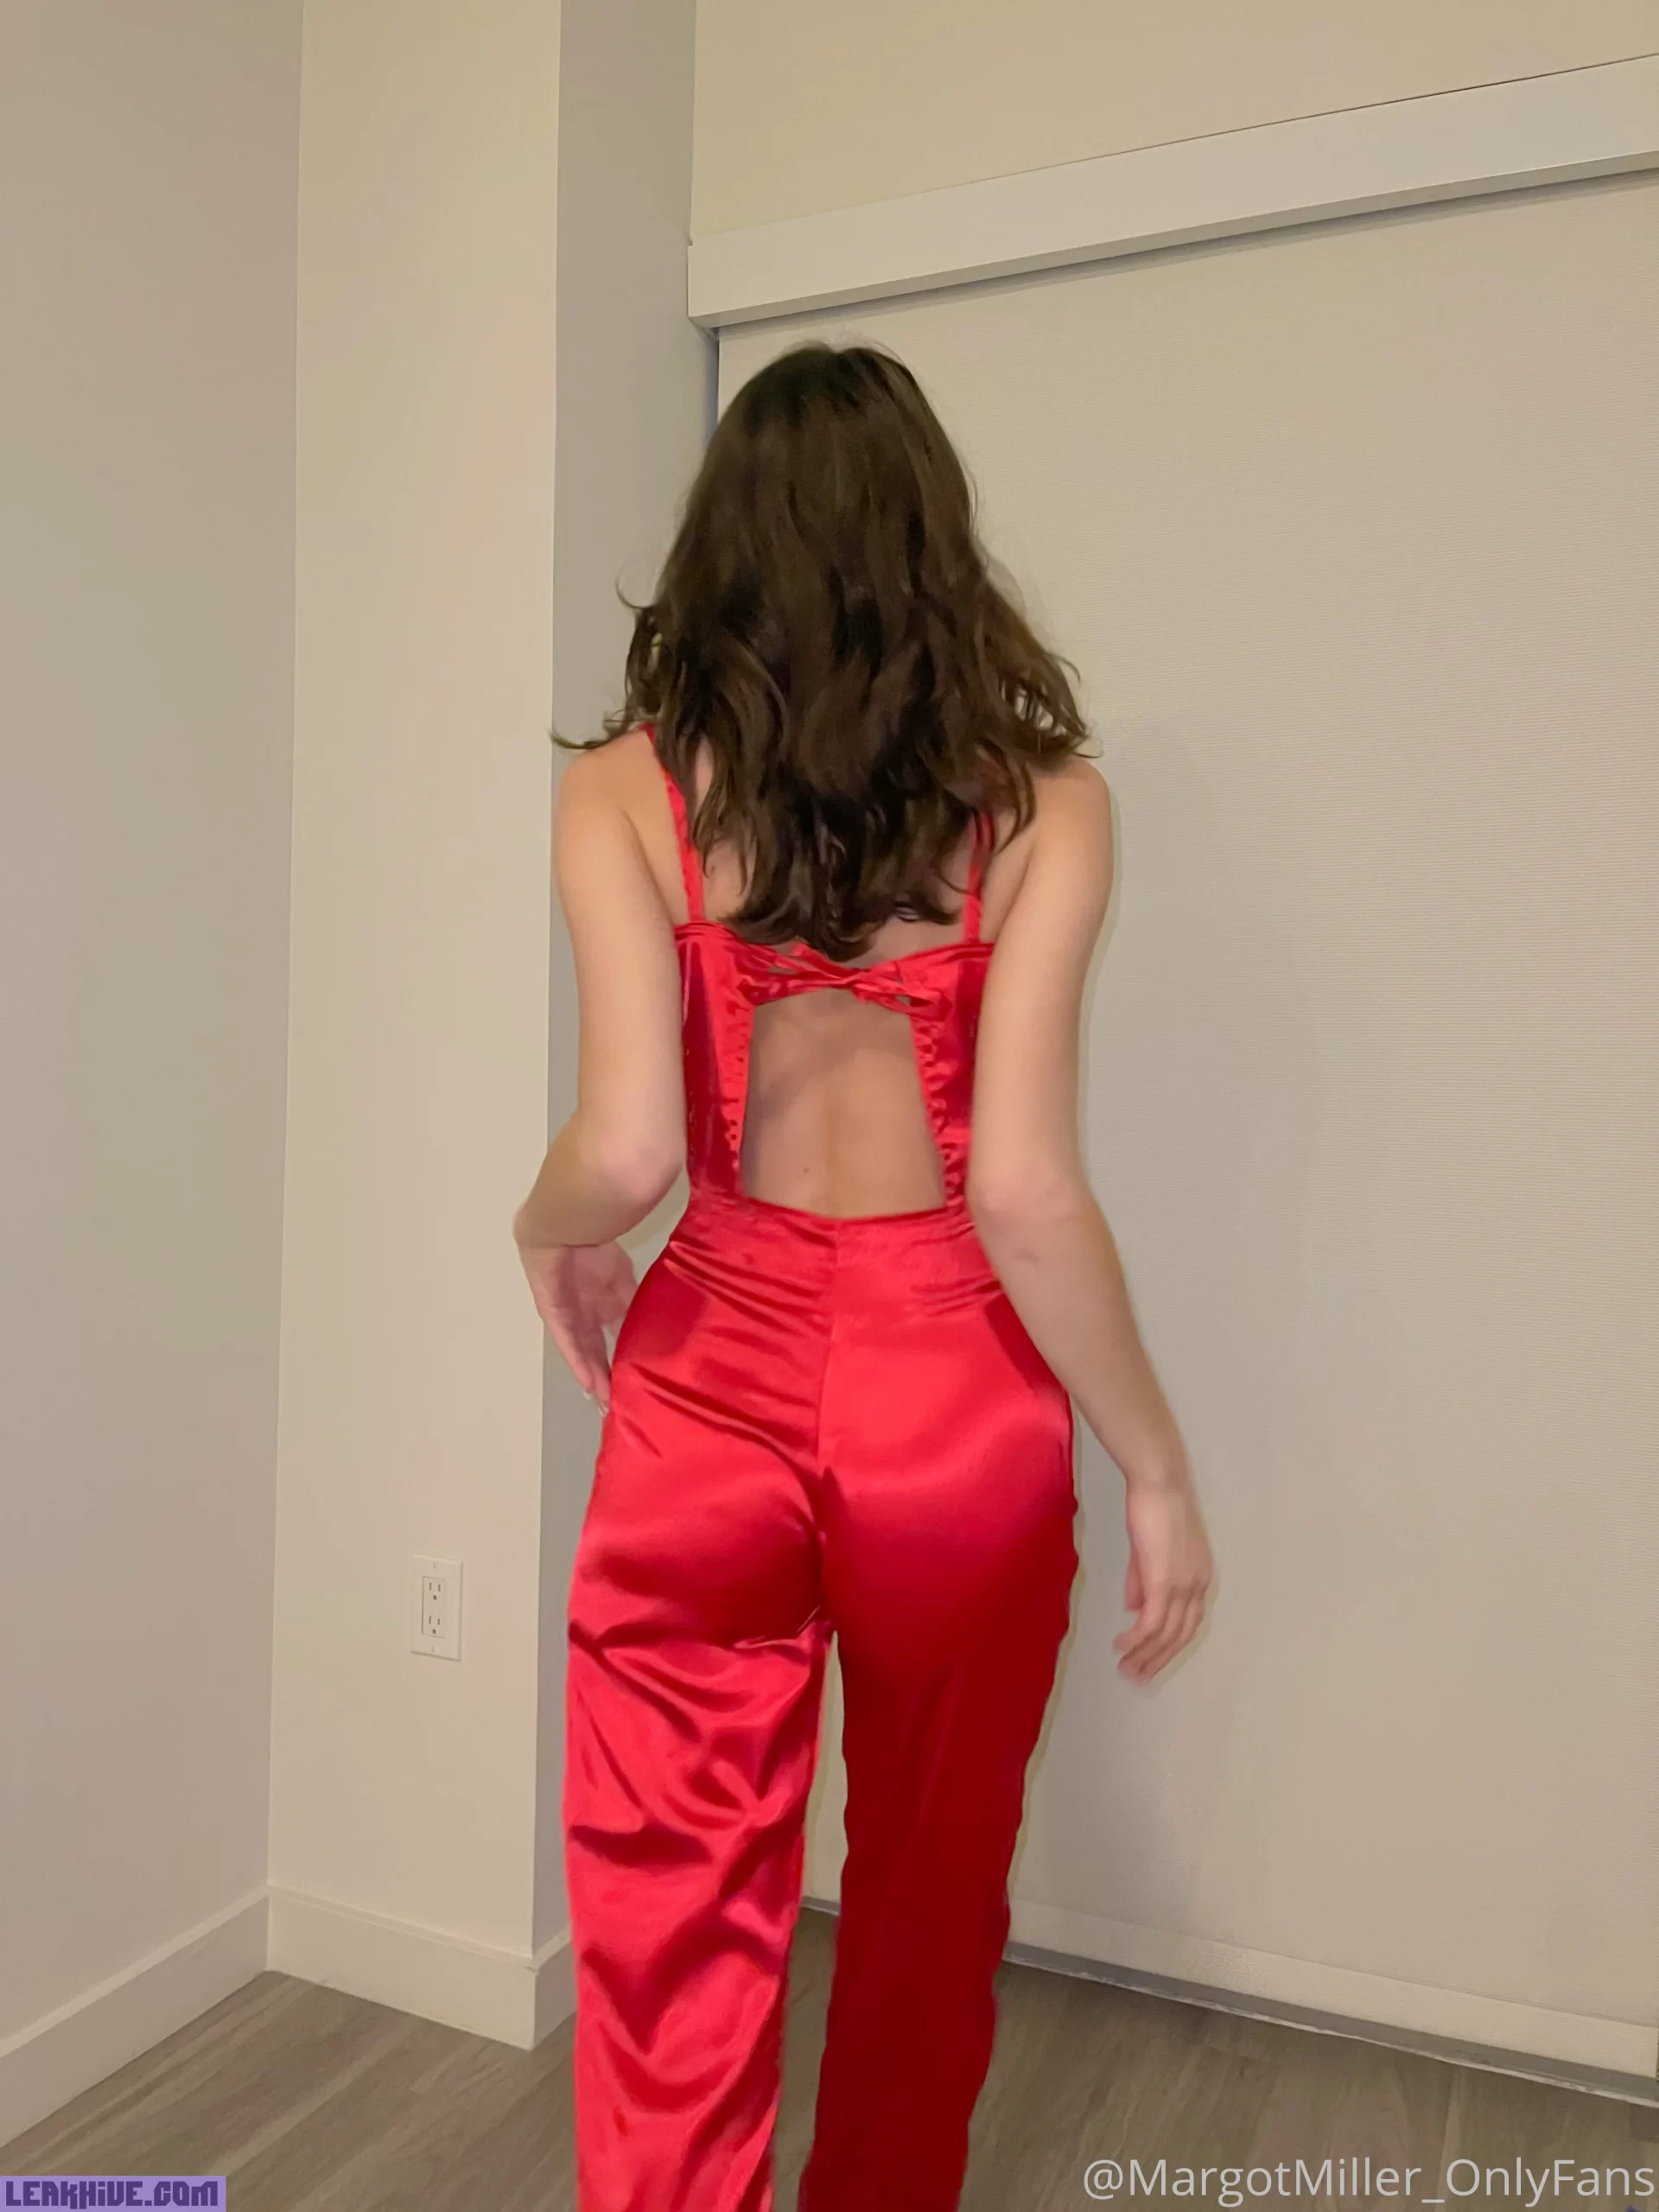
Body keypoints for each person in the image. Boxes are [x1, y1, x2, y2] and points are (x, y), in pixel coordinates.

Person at [512, 342, 1214, 2212]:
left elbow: (627, 1156)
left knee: (671, 1908)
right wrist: (1152, 1462)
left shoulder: (621, 797)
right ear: (931, 542)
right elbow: (1030, 1196)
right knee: (927, 1893)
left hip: (706, 1396)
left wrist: (542, 1229)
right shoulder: (1045, 807)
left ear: (721, 546)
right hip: (956, 1412)